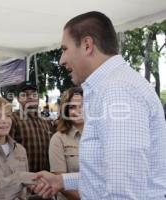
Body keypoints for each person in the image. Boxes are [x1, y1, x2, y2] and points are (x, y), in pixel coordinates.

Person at [34, 11, 166, 199]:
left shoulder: (117, 90)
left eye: (64, 49)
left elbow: (124, 190)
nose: (61, 60)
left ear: (87, 45)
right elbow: (106, 173)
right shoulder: (110, 87)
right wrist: (62, 181)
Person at [10, 81, 53, 173]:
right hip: (23, 180)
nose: (30, 97)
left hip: (46, 180)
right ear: (18, 99)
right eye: (24, 94)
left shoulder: (46, 121)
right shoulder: (12, 120)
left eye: (34, 94)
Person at [49, 87, 83, 200]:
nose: (78, 111)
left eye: (82, 105)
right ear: (66, 111)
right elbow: (60, 182)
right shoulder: (58, 139)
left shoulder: (100, 137)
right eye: (72, 107)